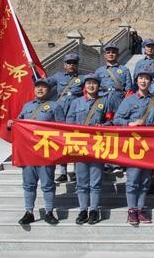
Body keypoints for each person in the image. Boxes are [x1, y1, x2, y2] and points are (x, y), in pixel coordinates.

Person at [11, 78, 65, 225]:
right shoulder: (27, 106)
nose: (40, 89)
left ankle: (49, 212)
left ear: (49, 90)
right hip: (28, 152)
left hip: (45, 151)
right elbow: (19, 122)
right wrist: (12, 124)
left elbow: (62, 129)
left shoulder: (55, 106)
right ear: (34, 90)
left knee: (47, 184)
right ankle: (29, 212)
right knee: (29, 184)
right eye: (37, 87)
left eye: (43, 87)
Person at [66, 74, 118, 225]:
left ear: (98, 86)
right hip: (80, 146)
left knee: (95, 181)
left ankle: (94, 210)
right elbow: (68, 123)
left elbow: (111, 120)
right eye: (88, 83)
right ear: (84, 86)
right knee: (81, 182)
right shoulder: (76, 102)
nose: (91, 86)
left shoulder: (104, 102)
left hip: (97, 145)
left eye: (94, 83)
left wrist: (104, 125)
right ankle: (83, 210)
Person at [113, 68, 154, 225]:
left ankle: (141, 208)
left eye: (146, 78)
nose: (143, 81)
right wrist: (130, 123)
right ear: (136, 81)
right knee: (133, 179)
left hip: (150, 145)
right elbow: (117, 119)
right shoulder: (129, 100)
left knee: (145, 180)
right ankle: (132, 210)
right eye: (141, 78)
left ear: (151, 82)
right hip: (133, 145)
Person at [45, 52, 85, 183]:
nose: (71, 65)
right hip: (60, 112)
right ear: (64, 64)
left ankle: (75, 171)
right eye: (69, 63)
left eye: (74, 63)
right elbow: (44, 84)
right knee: (61, 141)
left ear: (77, 64)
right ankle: (62, 171)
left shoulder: (83, 78)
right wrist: (33, 70)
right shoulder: (58, 76)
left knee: (74, 141)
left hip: (76, 111)